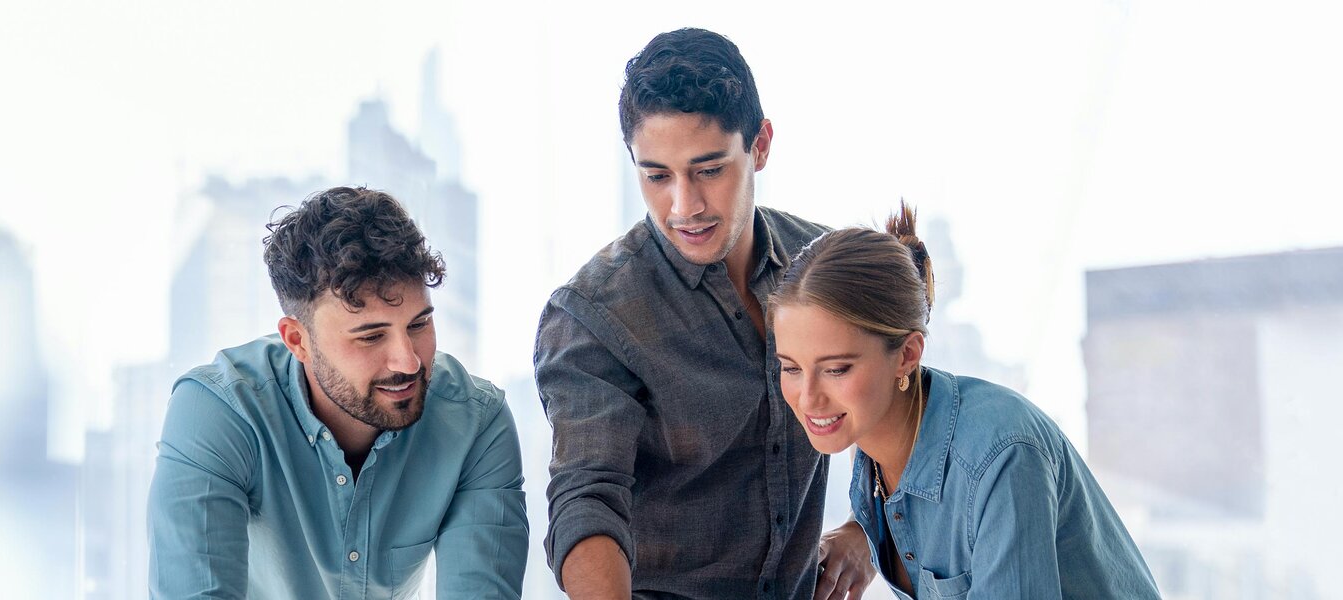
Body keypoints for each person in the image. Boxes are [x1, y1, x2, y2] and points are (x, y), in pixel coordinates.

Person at [534, 28, 874, 599]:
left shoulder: (828, 268)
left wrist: (866, 524)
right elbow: (586, 498)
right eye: (656, 175)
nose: (683, 207)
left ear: (760, 144)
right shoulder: (592, 314)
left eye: (709, 170)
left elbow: (902, 397)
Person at [148, 186, 528, 599]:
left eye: (418, 325)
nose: (409, 362)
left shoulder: (476, 423)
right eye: (370, 336)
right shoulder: (218, 413)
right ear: (298, 340)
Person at [769, 202, 1161, 598]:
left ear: (907, 354)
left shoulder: (999, 459)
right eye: (791, 368)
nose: (808, 398)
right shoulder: (872, 446)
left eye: (836, 369)